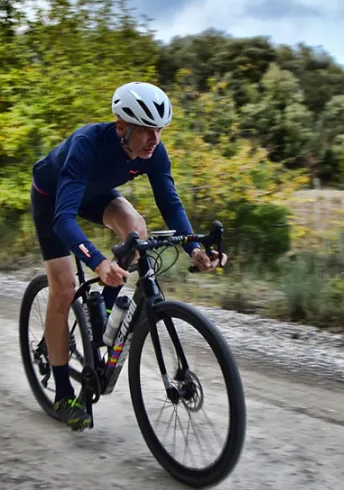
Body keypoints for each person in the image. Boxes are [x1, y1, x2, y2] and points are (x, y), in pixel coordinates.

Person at [29, 81, 225, 430]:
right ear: (122, 127)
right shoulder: (88, 144)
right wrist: (98, 263)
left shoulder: (154, 152)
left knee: (137, 228)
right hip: (52, 198)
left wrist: (194, 247)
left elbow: (170, 202)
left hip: (96, 194)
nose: (155, 139)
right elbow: (63, 219)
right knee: (63, 287)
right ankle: (62, 393)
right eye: (147, 131)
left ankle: (103, 308)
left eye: (160, 130)